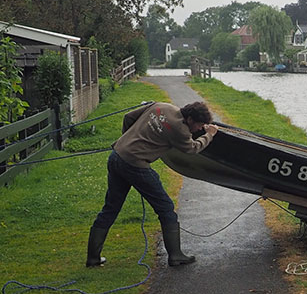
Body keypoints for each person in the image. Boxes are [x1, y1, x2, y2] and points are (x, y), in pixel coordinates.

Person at [86, 100, 218, 268]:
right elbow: (192, 148)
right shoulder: (180, 130)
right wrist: (210, 135)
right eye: (199, 125)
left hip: (117, 155)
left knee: (111, 208)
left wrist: (127, 141)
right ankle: (176, 256)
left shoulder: (162, 106)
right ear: (191, 119)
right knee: (165, 207)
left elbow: (128, 117)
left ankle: (93, 258)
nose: (199, 129)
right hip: (135, 165)